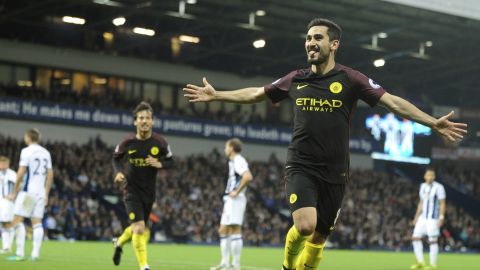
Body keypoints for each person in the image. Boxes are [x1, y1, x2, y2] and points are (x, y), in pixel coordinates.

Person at [183, 18, 467, 270]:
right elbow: (257, 93)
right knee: (305, 226)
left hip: (335, 172)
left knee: (319, 238)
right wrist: (218, 95)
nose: (310, 43)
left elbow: (392, 102)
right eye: (308, 38)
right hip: (301, 165)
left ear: (334, 44)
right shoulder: (296, 78)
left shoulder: (350, 78)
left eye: (317, 37)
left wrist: (433, 122)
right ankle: (287, 265)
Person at [112, 101, 174, 270]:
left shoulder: (160, 143)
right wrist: (118, 172)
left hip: (149, 193)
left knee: (137, 228)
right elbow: (116, 158)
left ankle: (119, 242)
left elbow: (171, 161)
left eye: (147, 118)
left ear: (152, 121)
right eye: (141, 118)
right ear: (135, 122)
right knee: (139, 229)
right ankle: (144, 266)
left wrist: (159, 163)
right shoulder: (128, 142)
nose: (144, 121)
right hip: (131, 191)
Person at [6, 128, 53, 261]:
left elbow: (21, 173)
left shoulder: (26, 151)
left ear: (28, 138)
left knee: (17, 220)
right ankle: (35, 254)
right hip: (40, 193)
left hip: (28, 192)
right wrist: (46, 193)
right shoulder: (46, 152)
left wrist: (14, 192)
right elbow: (50, 175)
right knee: (37, 223)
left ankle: (20, 254)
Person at [211, 138, 253, 270]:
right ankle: (225, 263)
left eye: (226, 147)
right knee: (223, 230)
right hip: (230, 199)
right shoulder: (233, 161)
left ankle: (235, 265)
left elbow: (247, 176)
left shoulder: (239, 160)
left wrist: (237, 191)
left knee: (235, 230)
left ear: (232, 148)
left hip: (236, 199)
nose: (225, 149)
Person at [410, 167, 446, 270]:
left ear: (434, 177)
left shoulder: (439, 187)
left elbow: (442, 203)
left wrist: (441, 217)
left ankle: (433, 265)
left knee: (432, 241)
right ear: (425, 176)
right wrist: (416, 217)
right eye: (428, 175)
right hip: (423, 218)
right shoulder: (422, 186)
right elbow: (421, 203)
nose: (430, 177)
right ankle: (420, 262)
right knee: (415, 238)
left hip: (433, 218)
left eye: (432, 175)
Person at [0, 156, 17, 254]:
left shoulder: (12, 174)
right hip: (0, 202)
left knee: (7, 223)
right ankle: (6, 247)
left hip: (8, 202)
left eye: (4, 163)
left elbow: (19, 185)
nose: (2, 165)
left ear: (8, 164)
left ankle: (7, 247)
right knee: (3, 224)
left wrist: (13, 195)